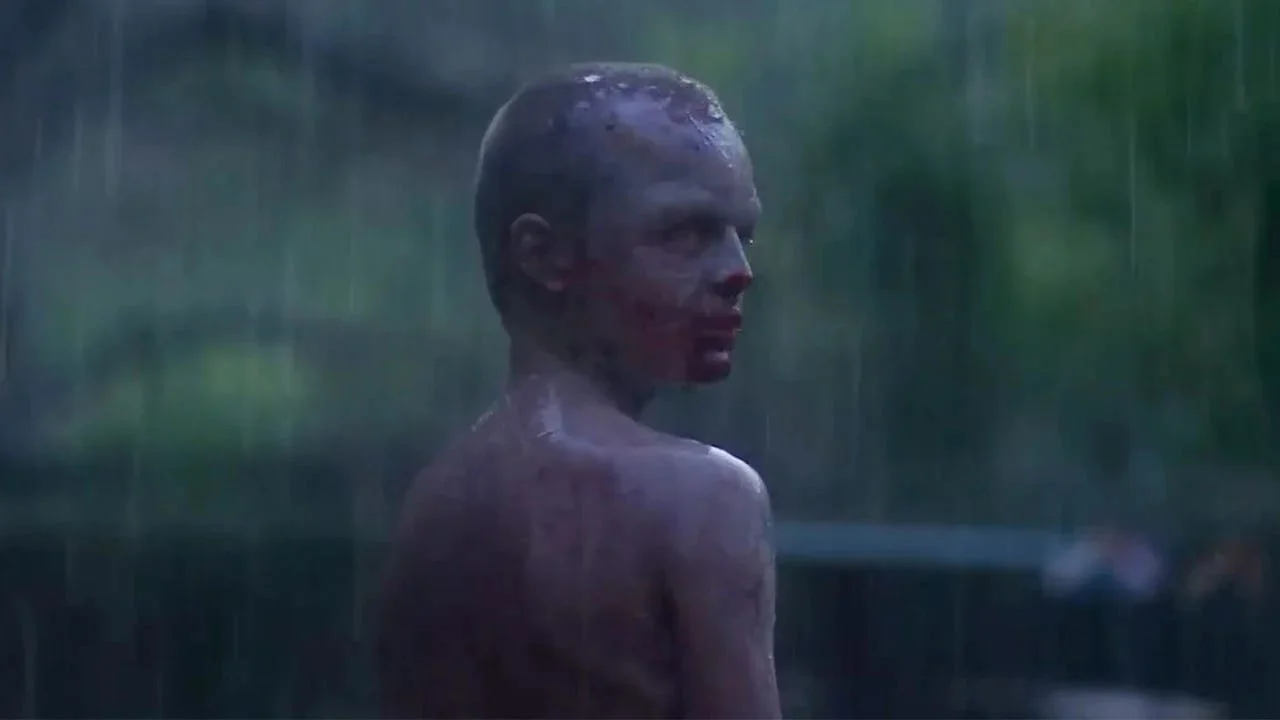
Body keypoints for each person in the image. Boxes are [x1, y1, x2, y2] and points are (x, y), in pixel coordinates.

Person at [375, 62, 779, 719]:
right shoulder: (702, 501)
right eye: (686, 233)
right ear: (543, 255)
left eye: (743, 235)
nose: (739, 271)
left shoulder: (435, 508)